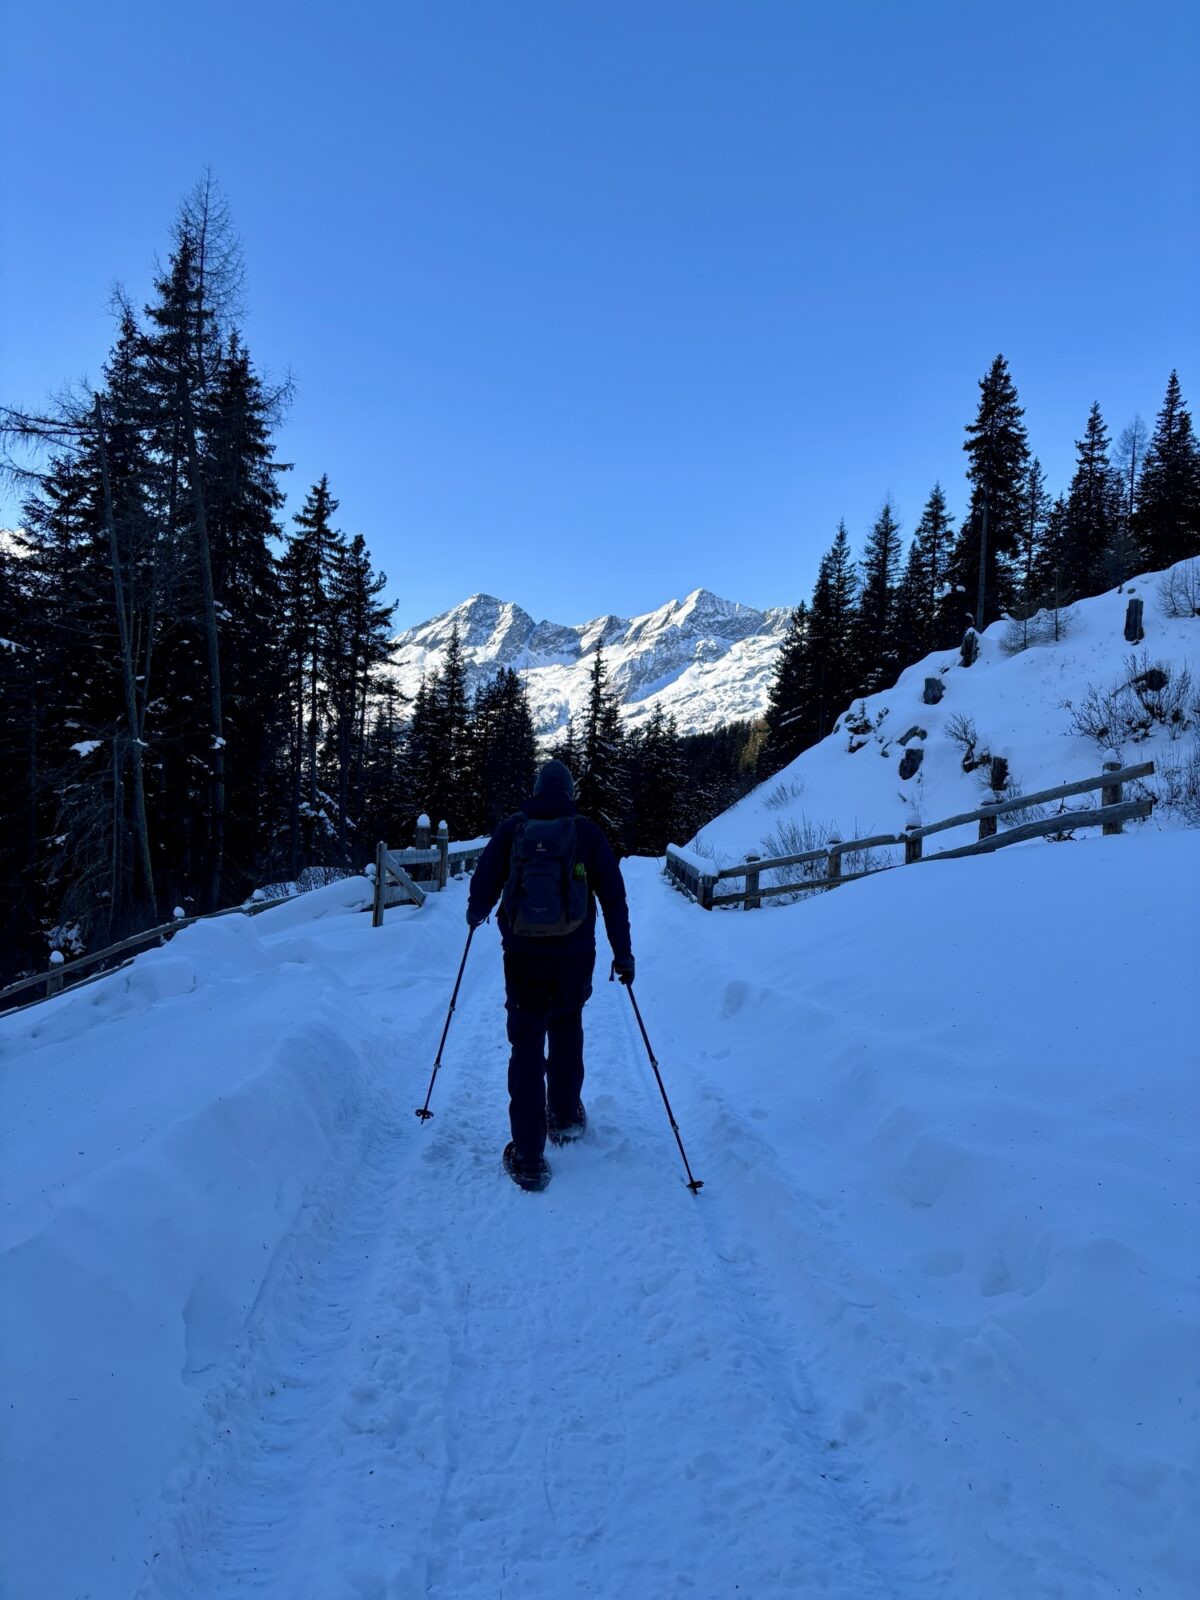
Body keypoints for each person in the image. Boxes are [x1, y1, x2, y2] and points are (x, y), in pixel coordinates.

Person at [466, 758, 634, 1191]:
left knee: (525, 1043)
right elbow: (614, 897)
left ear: (538, 789)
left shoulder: (512, 829)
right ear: (569, 792)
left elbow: (483, 881)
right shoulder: (586, 832)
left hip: (523, 955)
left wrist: (476, 912)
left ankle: (527, 1157)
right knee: (567, 1024)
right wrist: (623, 955)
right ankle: (563, 1115)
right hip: (575, 955)